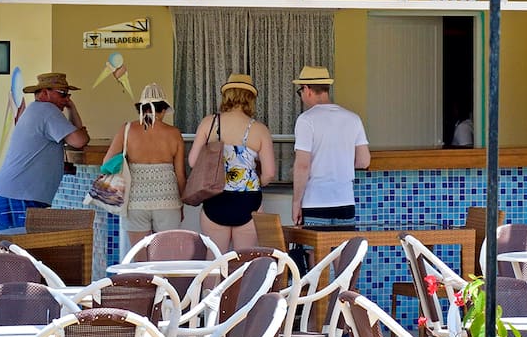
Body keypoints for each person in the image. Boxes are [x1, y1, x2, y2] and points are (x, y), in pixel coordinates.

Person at [0, 71, 90, 230]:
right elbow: (79, 140)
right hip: (21, 197)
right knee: (23, 251)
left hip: (12, 193)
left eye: (68, 95)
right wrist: (74, 114)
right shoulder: (47, 110)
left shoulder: (36, 110)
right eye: (62, 94)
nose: (66, 99)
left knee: (11, 250)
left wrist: (71, 108)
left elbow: (74, 138)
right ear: (44, 93)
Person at [189, 73, 274, 250]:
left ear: (226, 95)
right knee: (243, 262)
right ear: (251, 98)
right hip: (248, 201)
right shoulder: (259, 129)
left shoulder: (209, 123)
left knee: (215, 262)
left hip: (215, 198)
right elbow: (269, 173)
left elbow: (192, 161)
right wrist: (256, 181)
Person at [102, 83, 186, 241]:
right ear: (162, 109)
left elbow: (107, 163)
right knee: (166, 259)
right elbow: (180, 175)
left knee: (140, 261)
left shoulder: (127, 129)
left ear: (141, 108)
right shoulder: (174, 134)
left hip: (135, 203)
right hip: (168, 201)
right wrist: (181, 203)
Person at [290, 65, 369, 229]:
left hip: (315, 200)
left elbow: (302, 165)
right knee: (343, 251)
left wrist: (296, 201)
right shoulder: (353, 119)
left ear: (307, 89)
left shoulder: (306, 120)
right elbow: (364, 161)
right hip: (345, 200)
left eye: (301, 92)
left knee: (316, 252)